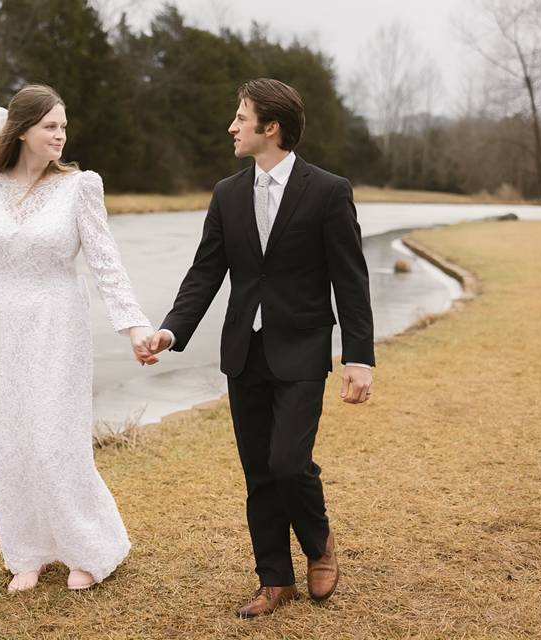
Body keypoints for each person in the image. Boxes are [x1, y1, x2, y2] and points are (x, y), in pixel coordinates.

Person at [138, 78, 375, 618]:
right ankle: (274, 579)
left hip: (303, 349)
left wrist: (358, 357)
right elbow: (205, 273)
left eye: (241, 117)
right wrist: (171, 330)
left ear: (271, 128)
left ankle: (319, 546)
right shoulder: (226, 194)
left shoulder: (328, 191)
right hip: (244, 353)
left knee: (290, 463)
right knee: (258, 471)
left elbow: (351, 280)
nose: (232, 127)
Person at [0, 84, 154, 593]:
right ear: (22, 130)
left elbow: (105, 263)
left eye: (64, 126)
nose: (60, 135)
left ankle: (88, 547)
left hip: (60, 321)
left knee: (56, 439)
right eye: (51, 126)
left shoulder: (80, 186)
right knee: (12, 438)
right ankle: (25, 552)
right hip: (5, 324)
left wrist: (134, 324)